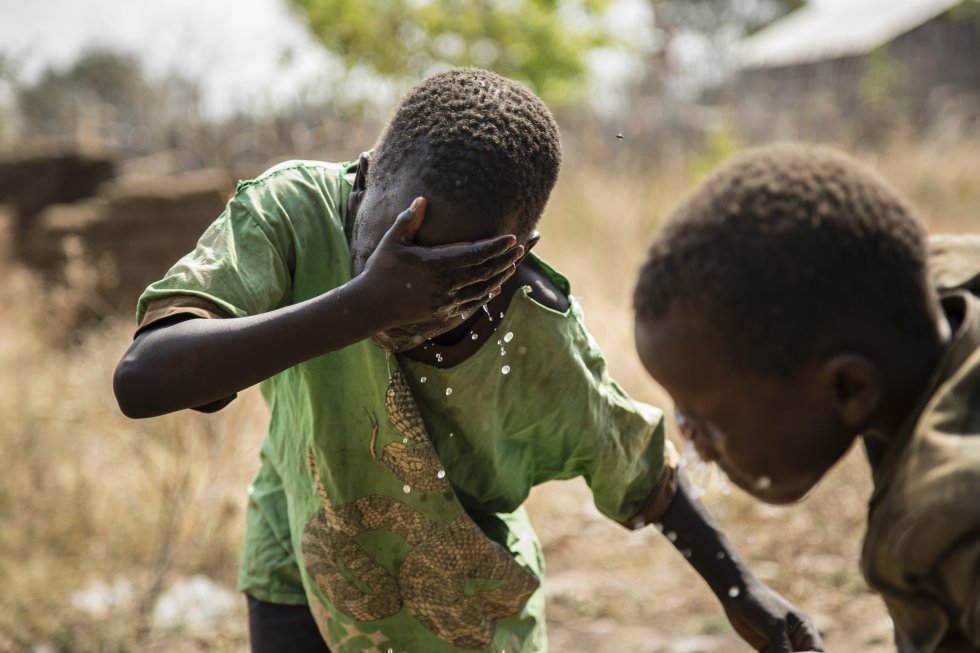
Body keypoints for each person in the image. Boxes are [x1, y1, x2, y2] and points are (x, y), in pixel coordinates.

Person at [114, 68, 821, 653]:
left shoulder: (538, 339)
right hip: (300, 561)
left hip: (462, 618)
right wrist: (365, 301)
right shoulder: (296, 216)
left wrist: (740, 590)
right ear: (365, 175)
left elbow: (640, 473)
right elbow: (146, 377)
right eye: (385, 250)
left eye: (448, 280)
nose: (407, 295)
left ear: (514, 256)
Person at [633, 142, 980, 652]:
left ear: (849, 388)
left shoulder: (949, 516)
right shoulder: (918, 299)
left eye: (710, 421)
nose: (690, 439)